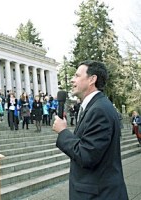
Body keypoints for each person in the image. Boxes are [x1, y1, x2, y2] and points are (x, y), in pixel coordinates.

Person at [52, 60, 128, 200]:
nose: (72, 80)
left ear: (92, 79)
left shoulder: (99, 109)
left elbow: (87, 155)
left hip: (99, 194)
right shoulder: (95, 106)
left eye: (77, 76)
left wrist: (63, 132)